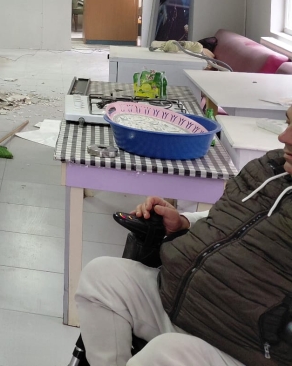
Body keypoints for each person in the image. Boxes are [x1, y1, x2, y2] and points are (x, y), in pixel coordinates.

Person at [75, 106, 292, 366]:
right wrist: (183, 222)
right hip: (180, 300)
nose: (284, 137)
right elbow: (233, 217)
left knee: (167, 353)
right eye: (288, 123)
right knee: (102, 276)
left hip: (242, 344)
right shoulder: (268, 169)